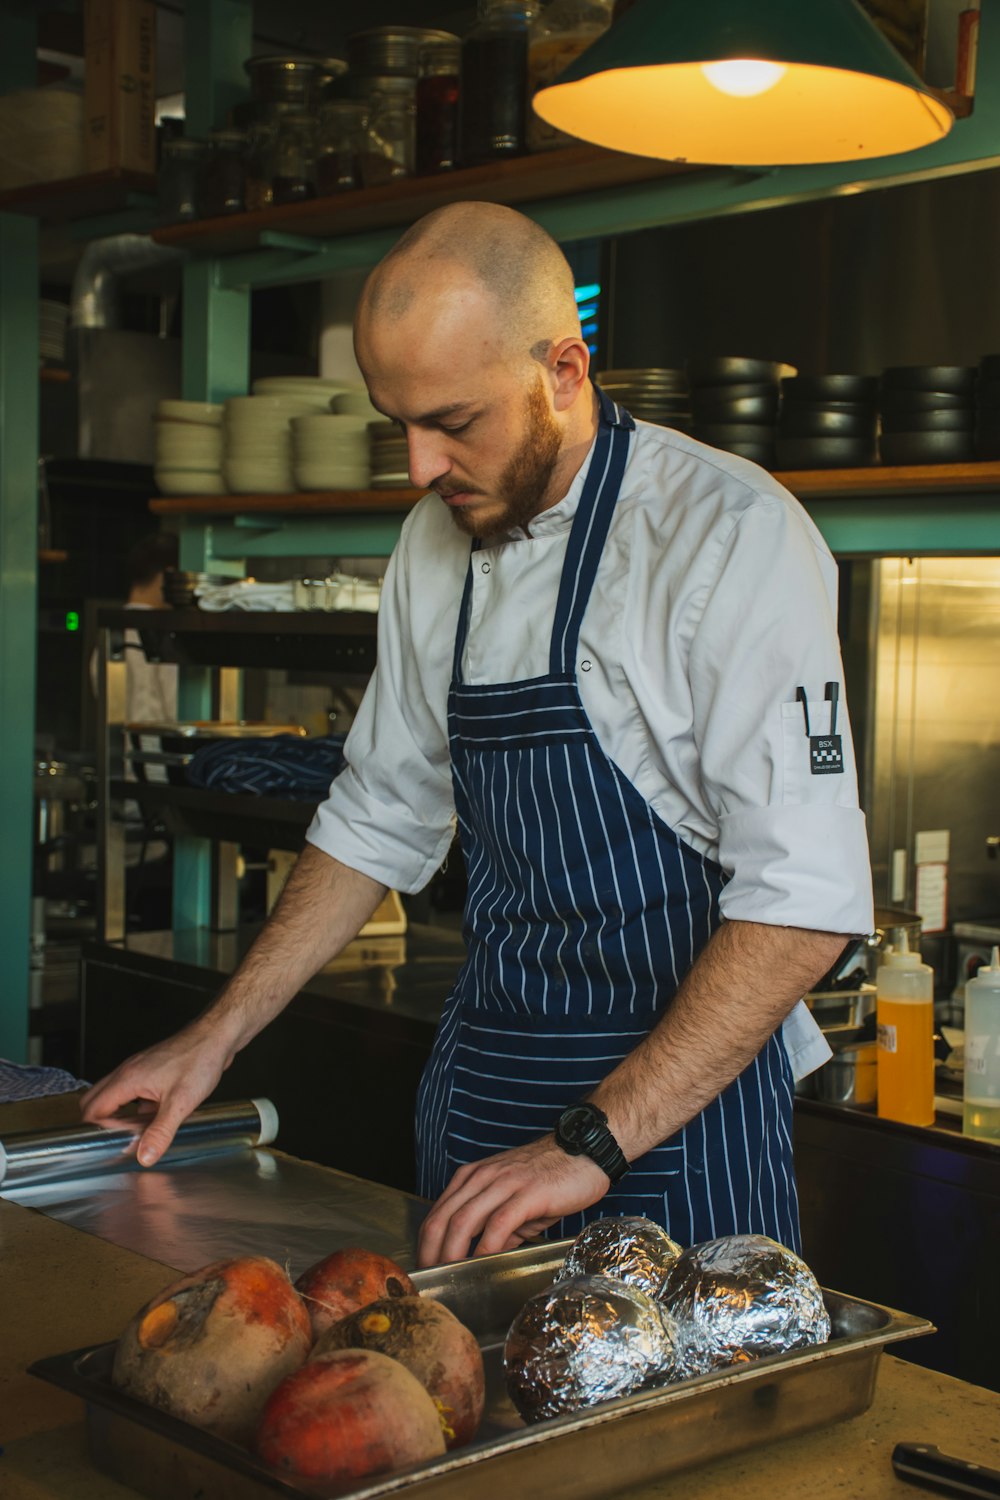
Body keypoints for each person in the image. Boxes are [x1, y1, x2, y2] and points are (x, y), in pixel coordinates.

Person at [81, 203, 873, 1268]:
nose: (418, 467)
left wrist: (589, 1138)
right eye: (396, 422)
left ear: (564, 370)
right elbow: (378, 811)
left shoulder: (730, 536)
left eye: (452, 421)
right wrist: (210, 1042)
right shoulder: (434, 538)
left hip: (676, 1130)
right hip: (484, 1101)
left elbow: (802, 907)